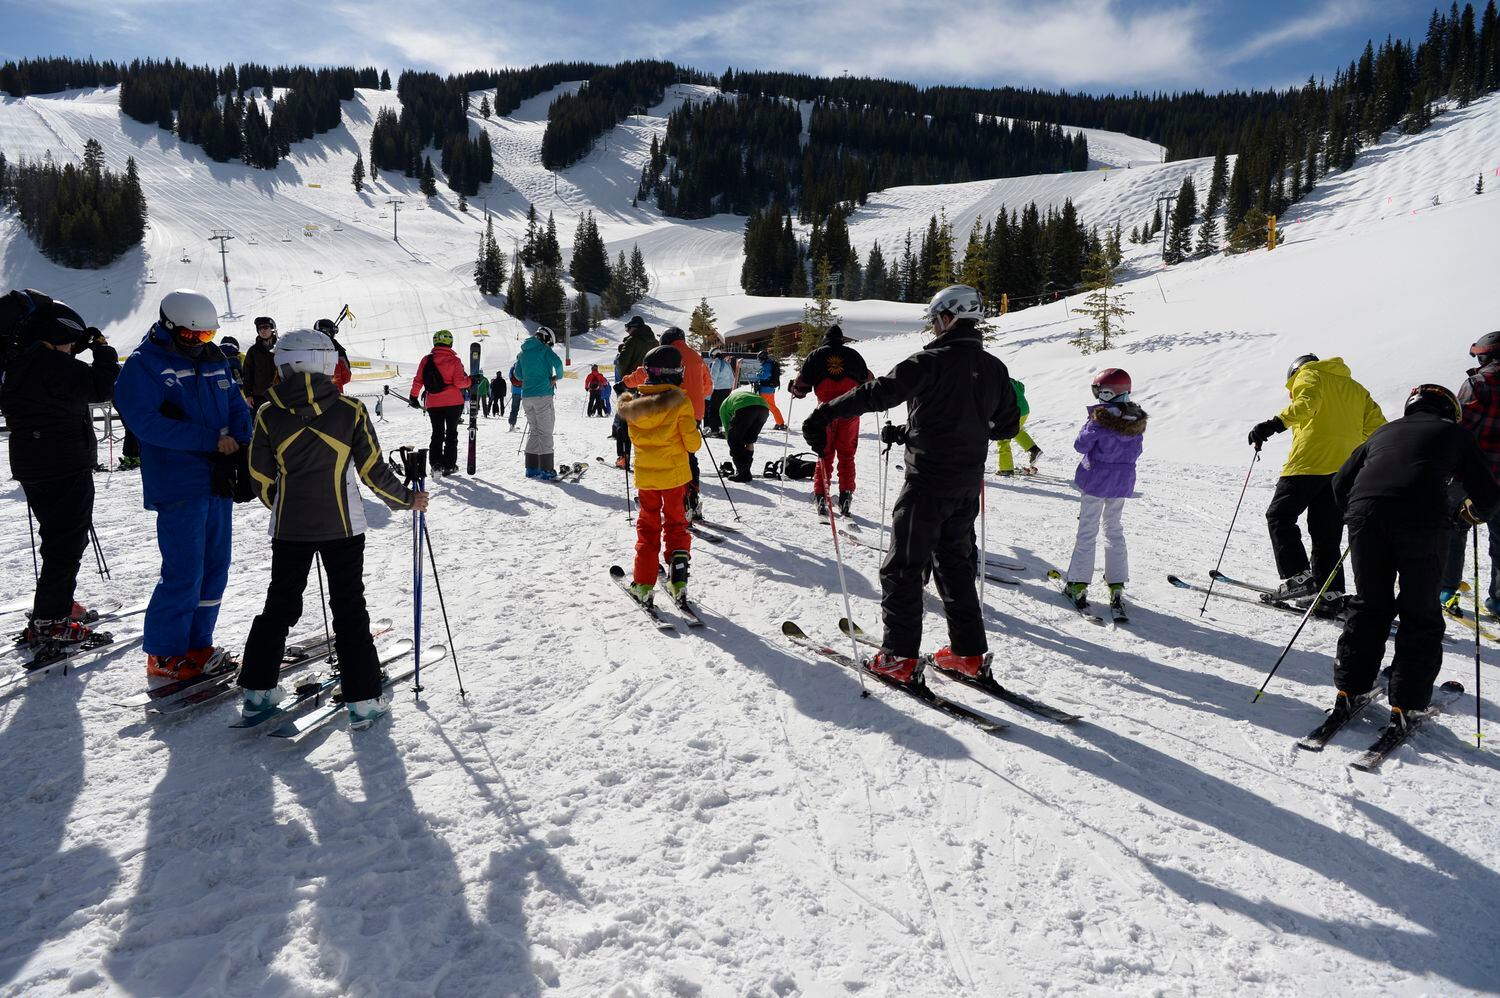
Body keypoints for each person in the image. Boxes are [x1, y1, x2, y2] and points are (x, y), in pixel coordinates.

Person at [802, 285, 1019, 683]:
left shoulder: (930, 360)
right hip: (966, 484)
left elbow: (878, 393)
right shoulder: (994, 367)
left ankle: (899, 658)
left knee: (902, 566)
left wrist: (824, 414)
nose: (934, 328)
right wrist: (917, 429)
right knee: (955, 565)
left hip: (928, 481)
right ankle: (967, 654)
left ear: (948, 318)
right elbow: (1005, 424)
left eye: (936, 320)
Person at [239, 329, 428, 727]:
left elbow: (259, 475)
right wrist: (406, 499)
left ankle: (257, 691)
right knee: (348, 606)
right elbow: (373, 470)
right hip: (342, 525)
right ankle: (362, 699)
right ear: (325, 363)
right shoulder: (349, 410)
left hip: (289, 526)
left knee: (280, 603)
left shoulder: (267, 413)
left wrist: (285, 504)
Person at [1330, 384, 1500, 732]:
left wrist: (1359, 514)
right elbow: (1488, 493)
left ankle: (1350, 689)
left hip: (1365, 517)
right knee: (1419, 611)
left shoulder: (1383, 432)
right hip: (1422, 521)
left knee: (1369, 605)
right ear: (1450, 410)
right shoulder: (1455, 432)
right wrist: (1466, 515)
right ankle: (1407, 703)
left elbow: (1340, 482)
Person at [114, 289, 253, 680]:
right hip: (178, 481)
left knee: (215, 567)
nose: (198, 344)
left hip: (218, 478)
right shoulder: (144, 365)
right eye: (191, 337)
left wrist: (242, 445)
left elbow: (237, 408)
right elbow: (146, 424)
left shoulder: (215, 361)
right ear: (169, 327)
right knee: (183, 569)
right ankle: (163, 652)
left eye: (206, 336)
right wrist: (209, 440)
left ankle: (197, 642)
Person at [0, 290, 117, 650]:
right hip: (63, 464)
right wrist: (103, 350)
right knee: (66, 543)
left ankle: (54, 607)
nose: (72, 351)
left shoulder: (15, 364)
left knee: (56, 538)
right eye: (69, 344)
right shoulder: (49, 364)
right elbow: (100, 385)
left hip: (33, 463)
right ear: (56, 338)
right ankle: (51, 622)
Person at [1248, 354, 1385, 601]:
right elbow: (1376, 427)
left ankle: (1298, 577)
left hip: (1310, 460)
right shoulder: (1356, 388)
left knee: (1280, 515)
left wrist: (1271, 425)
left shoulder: (1310, 374)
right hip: (1345, 469)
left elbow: (1306, 404)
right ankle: (1329, 592)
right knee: (1326, 532)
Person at [618, 345, 702, 604]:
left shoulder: (634, 406)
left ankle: (643, 585)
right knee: (676, 524)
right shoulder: (680, 401)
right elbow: (693, 445)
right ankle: (678, 580)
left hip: (647, 479)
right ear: (676, 372)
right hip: (675, 477)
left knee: (648, 527)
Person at [1061, 369, 1147, 615]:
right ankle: (1116, 584)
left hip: (1096, 481)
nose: (1098, 396)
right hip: (1121, 482)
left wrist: (1092, 425)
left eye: (1100, 392)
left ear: (1110, 393)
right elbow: (1136, 452)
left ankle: (1078, 584)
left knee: (1088, 529)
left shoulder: (1099, 419)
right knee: (1114, 528)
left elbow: (1080, 445)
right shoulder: (1135, 419)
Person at [1440, 331, 1500, 613]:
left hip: (1472, 476)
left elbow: (1458, 429)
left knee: (1453, 526)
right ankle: (1499, 600)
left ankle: (1446, 589)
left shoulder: (1479, 383)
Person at [789, 324, 871, 518]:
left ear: (825, 339)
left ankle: (820, 495)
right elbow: (869, 382)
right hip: (850, 411)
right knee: (847, 454)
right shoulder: (854, 356)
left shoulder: (816, 355)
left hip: (824, 413)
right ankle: (846, 495)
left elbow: (800, 389)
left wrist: (793, 387)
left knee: (824, 453)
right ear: (841, 339)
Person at [639, 328, 711, 519]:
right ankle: (692, 499)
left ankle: (673, 501)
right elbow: (708, 385)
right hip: (694, 411)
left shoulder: (664, 356)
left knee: (667, 452)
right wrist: (696, 399)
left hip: (670, 407)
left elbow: (643, 375)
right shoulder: (697, 357)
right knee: (689, 456)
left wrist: (625, 383)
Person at [408, 330, 471, 475]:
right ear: (450, 342)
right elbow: (460, 383)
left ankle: (435, 464)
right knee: (451, 433)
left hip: (434, 403)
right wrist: (471, 380)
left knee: (437, 433)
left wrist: (413, 396)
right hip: (453, 403)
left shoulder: (427, 360)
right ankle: (449, 465)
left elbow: (418, 380)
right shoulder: (454, 360)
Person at [517, 326, 565, 479]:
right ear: (545, 338)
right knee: (545, 432)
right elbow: (558, 363)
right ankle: (546, 469)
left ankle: (531, 468)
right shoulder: (544, 350)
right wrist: (556, 377)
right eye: (549, 343)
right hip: (543, 395)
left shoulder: (523, 353)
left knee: (534, 430)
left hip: (527, 396)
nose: (549, 345)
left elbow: (518, 375)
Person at [612, 315, 658, 468]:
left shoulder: (632, 340)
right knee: (646, 423)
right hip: (649, 387)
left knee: (624, 423)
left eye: (629, 328)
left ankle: (623, 457)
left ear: (635, 327)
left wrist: (622, 373)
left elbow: (622, 363)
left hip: (630, 384)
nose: (628, 331)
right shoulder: (655, 342)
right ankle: (649, 457)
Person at [719, 385, 771, 482]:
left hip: (744, 407)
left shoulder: (723, 408)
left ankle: (743, 473)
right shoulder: (735, 397)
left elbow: (728, 429)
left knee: (734, 441)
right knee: (749, 439)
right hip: (764, 407)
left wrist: (732, 443)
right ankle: (745, 470)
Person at [996, 378, 1043, 475]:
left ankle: (1006, 469)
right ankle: (1034, 450)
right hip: (1024, 408)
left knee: (1003, 437)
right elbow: (1021, 386)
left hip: (1013, 410)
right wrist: (1018, 397)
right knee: (1016, 431)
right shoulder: (1006, 377)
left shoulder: (992, 382)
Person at [242, 316, 278, 410]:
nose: (262, 330)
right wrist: (248, 395)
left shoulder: (281, 347)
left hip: (279, 394)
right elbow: (247, 373)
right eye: (260, 328)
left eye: (266, 327)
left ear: (272, 329)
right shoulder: (253, 351)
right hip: (259, 396)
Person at [314, 317, 352, 393]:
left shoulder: (305, 345)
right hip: (333, 396)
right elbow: (346, 376)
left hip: (307, 397)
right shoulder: (336, 348)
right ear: (329, 332)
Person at [754, 349, 787, 430]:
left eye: (759, 359)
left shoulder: (767, 365)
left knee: (763, 406)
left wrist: (757, 375)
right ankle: (780, 423)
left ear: (762, 358)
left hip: (766, 389)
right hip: (768, 389)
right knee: (771, 406)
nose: (759, 361)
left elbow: (765, 375)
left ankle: (780, 423)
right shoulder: (768, 363)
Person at [706, 350, 737, 436]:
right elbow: (732, 377)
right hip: (726, 390)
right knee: (722, 409)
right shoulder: (726, 363)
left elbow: (713, 377)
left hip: (718, 389)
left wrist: (710, 389)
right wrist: (730, 387)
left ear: (713, 355)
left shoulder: (716, 363)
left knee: (713, 410)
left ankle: (715, 429)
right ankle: (721, 428)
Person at [507, 362, 523, 430]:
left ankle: (512, 424)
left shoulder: (513, 368)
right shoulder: (524, 365)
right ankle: (533, 427)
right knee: (530, 409)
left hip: (515, 390)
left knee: (514, 409)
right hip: (525, 390)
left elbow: (511, 378)